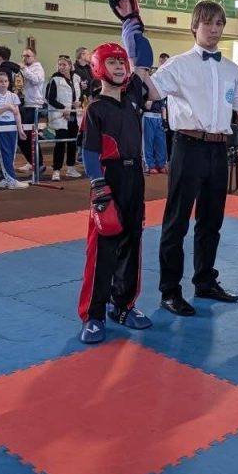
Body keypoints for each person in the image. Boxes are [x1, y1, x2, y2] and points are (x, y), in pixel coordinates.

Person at [117, 0, 238, 316]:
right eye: (208, 23)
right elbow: (149, 92)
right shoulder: (178, 65)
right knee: (176, 221)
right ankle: (169, 291)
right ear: (194, 26)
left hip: (219, 149)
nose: (214, 29)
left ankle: (205, 280)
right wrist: (136, 54)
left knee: (212, 220)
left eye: (219, 24)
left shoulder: (231, 70)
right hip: (187, 147)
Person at [78, 41, 152, 344]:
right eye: (112, 62)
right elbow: (89, 153)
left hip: (135, 176)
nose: (120, 66)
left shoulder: (132, 98)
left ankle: (123, 305)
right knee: (102, 248)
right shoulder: (95, 108)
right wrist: (98, 185)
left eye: (122, 61)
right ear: (99, 67)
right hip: (109, 176)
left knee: (132, 243)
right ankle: (93, 315)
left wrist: (132, 23)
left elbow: (143, 58)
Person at [0, 71, 29, 189]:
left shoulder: (13, 96)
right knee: (4, 152)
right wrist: (7, 107)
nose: (3, 83)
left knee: (11, 153)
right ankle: (11, 180)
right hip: (1, 125)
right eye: (0, 81)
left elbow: (17, 113)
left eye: (5, 81)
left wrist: (20, 129)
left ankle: (4, 178)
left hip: (12, 126)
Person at [46, 56, 83, 181]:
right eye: (60, 65)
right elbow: (50, 98)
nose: (61, 67)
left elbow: (79, 94)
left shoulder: (76, 78)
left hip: (73, 114)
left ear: (70, 66)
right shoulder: (54, 79)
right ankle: (56, 170)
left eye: (64, 65)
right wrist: (63, 109)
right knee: (60, 143)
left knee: (73, 142)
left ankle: (71, 168)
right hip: (60, 115)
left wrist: (78, 102)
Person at [16, 47, 45, 173]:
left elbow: (35, 80)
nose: (24, 58)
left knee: (29, 135)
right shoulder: (22, 70)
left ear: (34, 57)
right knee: (22, 136)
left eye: (28, 56)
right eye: (23, 56)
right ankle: (32, 161)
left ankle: (39, 163)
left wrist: (24, 69)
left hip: (34, 106)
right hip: (23, 104)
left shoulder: (38, 68)